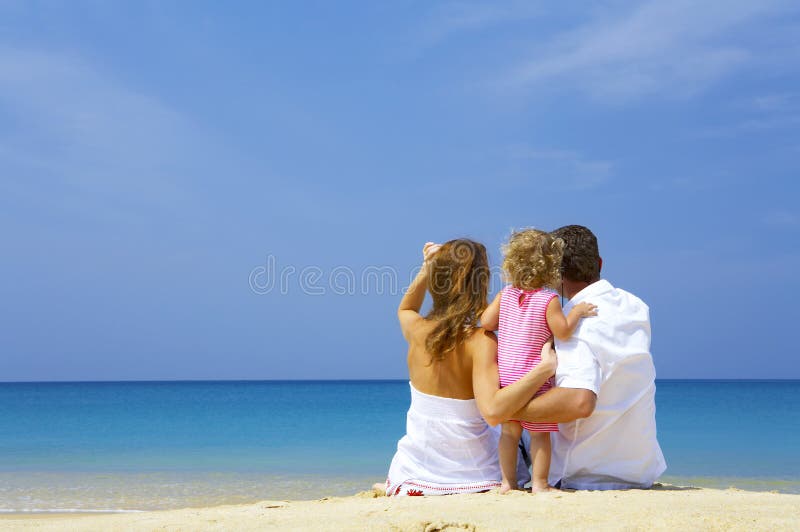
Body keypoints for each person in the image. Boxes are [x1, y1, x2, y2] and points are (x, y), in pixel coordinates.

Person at [473, 225, 666, 490]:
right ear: (599, 263)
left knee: (504, 429)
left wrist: (501, 409)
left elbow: (579, 401)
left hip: (582, 472)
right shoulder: (635, 307)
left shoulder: (577, 317)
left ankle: (509, 482)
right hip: (639, 468)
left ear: (557, 273)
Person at [377, 239, 504, 496]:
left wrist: (426, 267)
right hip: (475, 479)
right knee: (517, 435)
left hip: (413, 477)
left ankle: (389, 486)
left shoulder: (417, 330)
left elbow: (406, 307)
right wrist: (543, 371)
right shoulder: (482, 341)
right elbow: (492, 412)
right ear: (479, 283)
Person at [480, 229, 597, 493]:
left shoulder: (506, 295)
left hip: (508, 377)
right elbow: (563, 331)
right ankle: (540, 484)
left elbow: (487, 322)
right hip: (533, 376)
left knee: (509, 434)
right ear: (551, 266)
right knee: (540, 434)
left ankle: (508, 482)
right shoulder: (549, 299)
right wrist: (577, 311)